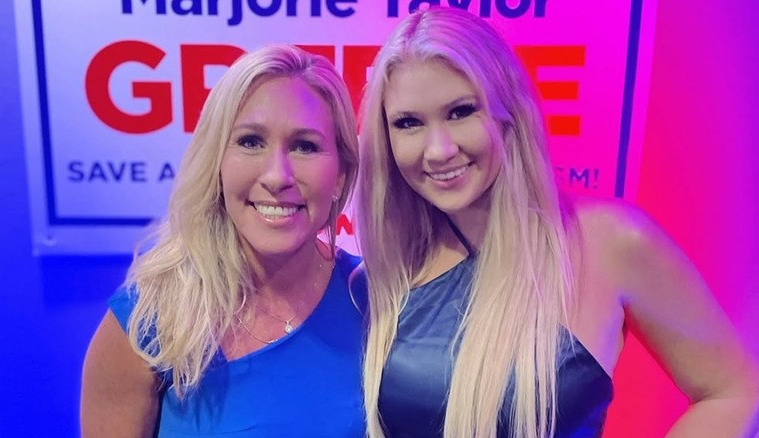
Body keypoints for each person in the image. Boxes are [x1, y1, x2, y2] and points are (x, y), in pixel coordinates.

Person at [353, 6, 759, 438]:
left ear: (506, 110)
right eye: (409, 123)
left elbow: (734, 391)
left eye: (460, 112)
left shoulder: (609, 244)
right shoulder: (381, 278)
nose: (438, 149)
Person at [81, 44, 363, 436]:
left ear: (342, 176)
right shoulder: (152, 318)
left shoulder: (374, 304)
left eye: (305, 146)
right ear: (216, 161)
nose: (277, 176)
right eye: (250, 141)